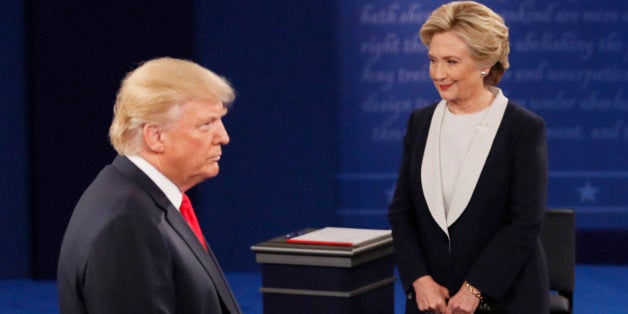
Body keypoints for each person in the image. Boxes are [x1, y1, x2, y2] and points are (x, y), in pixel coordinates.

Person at [387, 2, 549, 313]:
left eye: (451, 61)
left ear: (485, 63)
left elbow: (524, 222)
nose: (438, 73)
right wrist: (419, 280)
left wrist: (476, 290)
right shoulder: (420, 122)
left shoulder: (524, 128)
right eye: (432, 60)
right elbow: (401, 213)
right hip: (431, 301)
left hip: (505, 299)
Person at [57, 57, 241, 314]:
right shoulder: (128, 224)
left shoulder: (136, 197)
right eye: (206, 124)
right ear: (155, 136)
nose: (223, 137)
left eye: (220, 120)